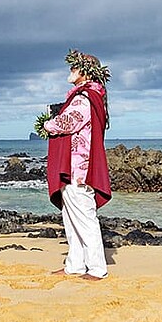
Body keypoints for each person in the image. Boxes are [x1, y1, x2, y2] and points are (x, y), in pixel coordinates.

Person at [41, 49, 112, 280]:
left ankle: (97, 268)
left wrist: (48, 124)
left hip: (78, 167)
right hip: (74, 165)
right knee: (71, 217)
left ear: (84, 72)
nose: (70, 71)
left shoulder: (84, 97)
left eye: (73, 68)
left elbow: (68, 122)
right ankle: (75, 264)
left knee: (84, 217)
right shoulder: (86, 96)